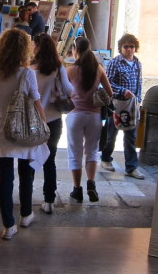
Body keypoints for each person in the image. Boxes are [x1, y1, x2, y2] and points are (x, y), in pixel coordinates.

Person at [0, 28, 49, 240]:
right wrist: (43, 121)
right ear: (23, 49)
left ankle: (8, 225)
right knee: (26, 173)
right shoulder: (27, 73)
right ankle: (26, 214)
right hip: (24, 129)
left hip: (3, 130)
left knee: (5, 177)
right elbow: (37, 102)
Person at [65, 36, 113, 203]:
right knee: (92, 151)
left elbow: (63, 92)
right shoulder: (98, 69)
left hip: (75, 115)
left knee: (75, 153)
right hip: (94, 116)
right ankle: (91, 184)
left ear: (75, 50)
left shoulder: (70, 70)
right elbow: (110, 93)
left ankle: (77, 189)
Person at [30, 33, 73, 214]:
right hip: (54, 120)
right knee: (50, 160)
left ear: (38, 47)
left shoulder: (29, 69)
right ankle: (49, 200)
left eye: (34, 44)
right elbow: (69, 90)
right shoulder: (58, 68)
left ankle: (26, 195)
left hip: (33, 120)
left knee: (29, 159)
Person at [100, 34, 145, 179]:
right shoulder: (115, 63)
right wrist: (122, 91)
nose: (129, 49)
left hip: (132, 106)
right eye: (126, 46)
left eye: (131, 46)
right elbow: (108, 83)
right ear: (121, 48)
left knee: (131, 136)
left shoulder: (137, 63)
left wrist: (138, 99)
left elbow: (139, 82)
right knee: (111, 135)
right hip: (117, 104)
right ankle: (106, 159)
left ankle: (131, 167)